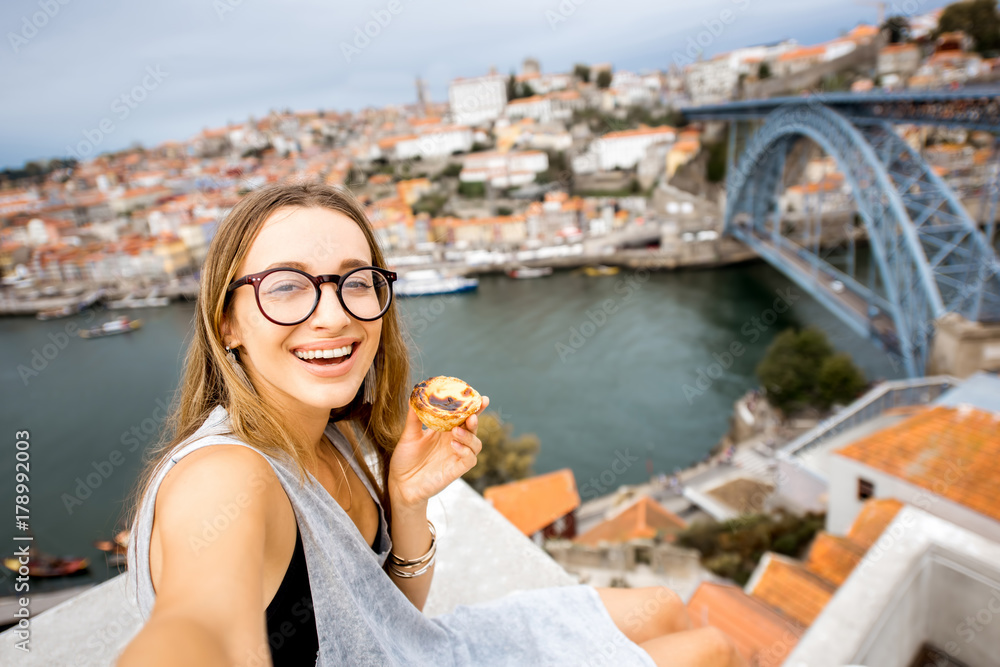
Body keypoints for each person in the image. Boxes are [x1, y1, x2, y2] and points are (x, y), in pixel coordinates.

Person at [118, 182, 744, 667]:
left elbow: (384, 617)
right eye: (286, 287)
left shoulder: (331, 432)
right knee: (711, 650)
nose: (334, 315)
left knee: (664, 604)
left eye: (355, 282)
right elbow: (196, 628)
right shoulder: (226, 477)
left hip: (415, 651)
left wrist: (406, 501)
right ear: (225, 321)